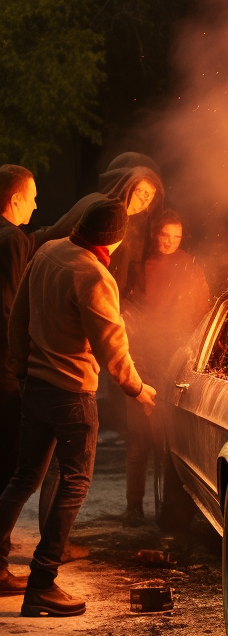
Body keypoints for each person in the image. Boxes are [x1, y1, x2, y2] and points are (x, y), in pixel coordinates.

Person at [0, 200, 156, 611]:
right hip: (71, 395)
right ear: (116, 239)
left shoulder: (48, 251)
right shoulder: (93, 274)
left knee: (23, 478)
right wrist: (136, 388)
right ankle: (42, 584)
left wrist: (20, 367)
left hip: (35, 386)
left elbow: (17, 315)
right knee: (74, 483)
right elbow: (112, 345)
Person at [122, 210, 210, 525]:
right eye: (165, 236)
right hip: (142, 359)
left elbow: (201, 310)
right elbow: (130, 311)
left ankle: (170, 509)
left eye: (176, 237)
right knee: (138, 438)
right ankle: (133, 507)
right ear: (155, 235)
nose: (170, 243)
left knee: (169, 440)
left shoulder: (190, 267)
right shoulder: (138, 265)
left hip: (176, 360)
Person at [37, 161, 163, 297]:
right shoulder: (104, 212)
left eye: (149, 196)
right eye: (140, 192)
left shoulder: (120, 216)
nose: (144, 201)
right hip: (66, 288)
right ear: (127, 187)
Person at [0, 166, 37, 497]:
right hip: (3, 366)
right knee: (8, 455)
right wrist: (21, 362)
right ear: (15, 199)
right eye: (32, 198)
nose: (35, 206)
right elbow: (8, 306)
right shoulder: (12, 239)